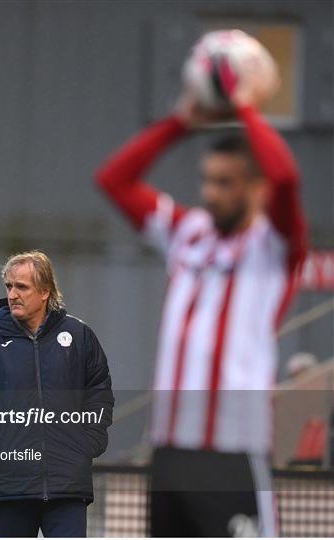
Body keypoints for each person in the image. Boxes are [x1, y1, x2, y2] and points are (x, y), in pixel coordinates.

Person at [95, 63, 307, 536]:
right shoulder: (188, 232)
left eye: (225, 182)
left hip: (231, 450)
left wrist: (245, 107)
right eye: (207, 180)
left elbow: (288, 180)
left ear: (256, 188)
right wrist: (183, 121)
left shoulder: (273, 247)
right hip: (170, 449)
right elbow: (114, 180)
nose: (210, 193)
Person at [0, 250, 114, 537]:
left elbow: (99, 391)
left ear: (45, 292)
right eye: (9, 286)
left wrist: (88, 441)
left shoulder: (79, 337)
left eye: (21, 287)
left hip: (67, 487)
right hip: (10, 487)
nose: (12, 294)